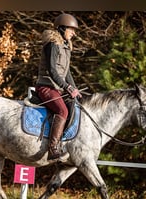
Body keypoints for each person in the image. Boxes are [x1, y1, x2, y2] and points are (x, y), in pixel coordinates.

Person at [35, 13, 82, 160]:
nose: (73, 33)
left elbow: (66, 72)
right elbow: (52, 70)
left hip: (58, 88)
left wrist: (74, 89)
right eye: (71, 30)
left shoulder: (66, 47)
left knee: (74, 105)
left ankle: (65, 142)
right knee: (62, 110)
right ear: (62, 28)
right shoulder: (53, 44)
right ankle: (53, 148)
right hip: (46, 87)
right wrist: (67, 87)